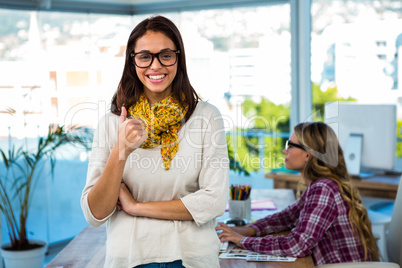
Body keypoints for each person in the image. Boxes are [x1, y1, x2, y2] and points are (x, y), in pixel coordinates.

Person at [81, 15, 229, 268]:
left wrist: (136, 207)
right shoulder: (111, 123)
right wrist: (121, 151)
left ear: (178, 58)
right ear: (133, 61)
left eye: (166, 55)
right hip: (130, 258)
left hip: (191, 258)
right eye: (145, 56)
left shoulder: (206, 116)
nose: (156, 66)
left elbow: (214, 201)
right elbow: (95, 214)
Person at [216, 122, 380, 265]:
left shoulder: (324, 188)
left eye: (290, 145)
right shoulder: (320, 184)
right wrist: (248, 230)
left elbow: (297, 245)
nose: (284, 150)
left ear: (308, 153)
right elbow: (287, 217)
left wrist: (242, 240)